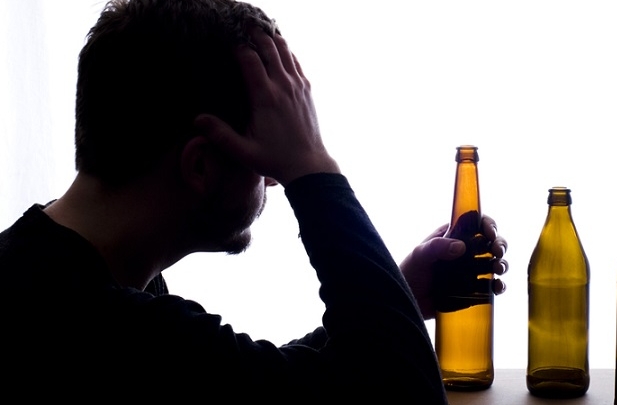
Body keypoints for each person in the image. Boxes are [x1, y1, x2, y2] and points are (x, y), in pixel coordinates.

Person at [0, 0, 508, 402]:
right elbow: (404, 393)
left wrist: (397, 298)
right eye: (269, 154)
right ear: (201, 166)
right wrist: (313, 168)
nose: (274, 181)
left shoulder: (55, 278)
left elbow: (262, 383)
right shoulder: (104, 330)